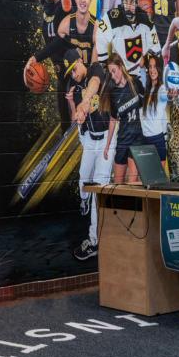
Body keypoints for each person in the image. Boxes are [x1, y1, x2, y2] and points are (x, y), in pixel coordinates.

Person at [65, 50, 112, 261]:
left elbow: (94, 83)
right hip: (89, 139)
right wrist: (76, 109)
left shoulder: (95, 69)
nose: (73, 74)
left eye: (74, 68)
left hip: (107, 139)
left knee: (98, 190)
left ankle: (94, 241)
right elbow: (76, 118)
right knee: (83, 179)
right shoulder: (72, 87)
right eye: (70, 72)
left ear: (80, 61)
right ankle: (83, 200)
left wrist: (85, 102)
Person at [102, 52, 148, 185]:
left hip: (137, 139)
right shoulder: (113, 94)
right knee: (118, 184)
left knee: (132, 182)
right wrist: (107, 145)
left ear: (121, 66)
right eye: (110, 73)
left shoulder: (135, 83)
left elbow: (148, 101)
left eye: (114, 71)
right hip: (123, 140)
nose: (112, 75)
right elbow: (112, 120)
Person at [96, 0, 159, 78]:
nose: (129, 6)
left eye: (132, 2)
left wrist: (148, 59)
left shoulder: (145, 18)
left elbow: (155, 45)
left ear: (136, 3)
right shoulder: (113, 17)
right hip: (121, 74)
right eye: (126, 1)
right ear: (122, 1)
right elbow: (100, 36)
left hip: (140, 73)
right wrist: (104, 63)